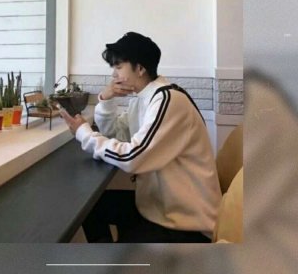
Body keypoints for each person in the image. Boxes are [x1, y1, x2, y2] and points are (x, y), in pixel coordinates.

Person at [61, 32, 222, 243]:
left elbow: (132, 157)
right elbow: (115, 135)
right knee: (90, 207)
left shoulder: (168, 100)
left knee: (95, 213)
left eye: (119, 67)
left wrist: (84, 133)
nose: (114, 75)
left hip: (187, 224)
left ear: (140, 68)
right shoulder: (143, 99)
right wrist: (106, 99)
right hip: (157, 208)